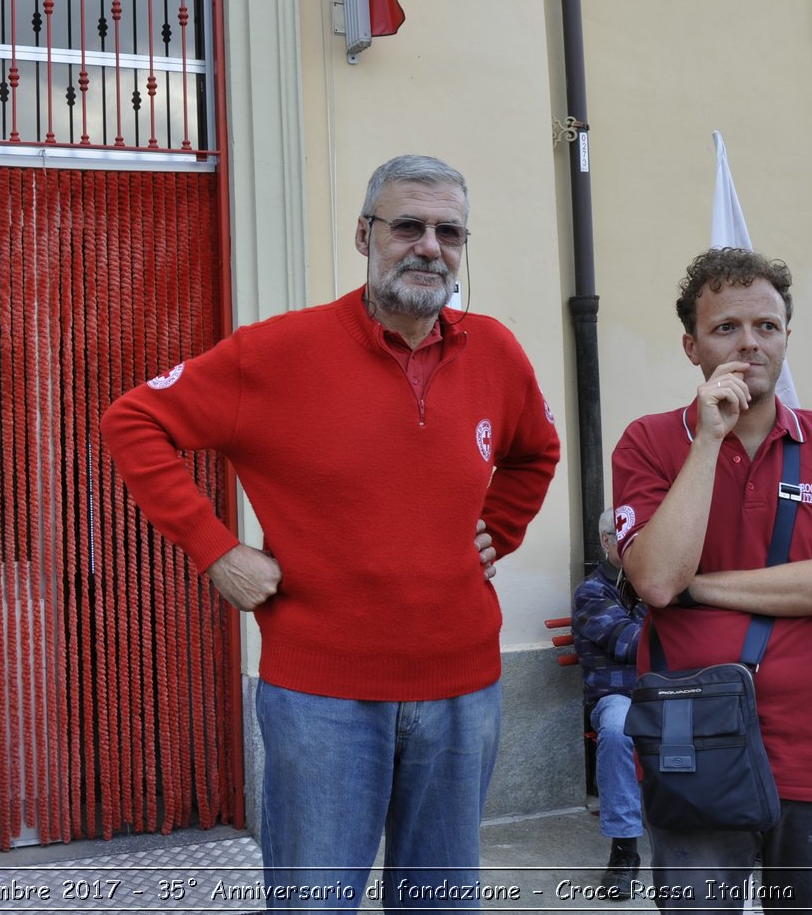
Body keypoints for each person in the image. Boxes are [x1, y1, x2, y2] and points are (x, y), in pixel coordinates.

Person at [102, 154, 560, 911]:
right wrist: (215, 550)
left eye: (450, 231)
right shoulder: (275, 353)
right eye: (407, 225)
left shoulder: (497, 352)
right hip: (322, 699)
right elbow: (133, 421)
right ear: (364, 235)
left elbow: (536, 451)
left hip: (463, 690)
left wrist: (499, 528)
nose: (429, 246)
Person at [611, 248, 812, 912]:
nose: (750, 343)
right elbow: (654, 579)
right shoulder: (647, 441)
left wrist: (701, 586)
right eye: (726, 327)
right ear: (690, 345)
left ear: (788, 334)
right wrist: (707, 439)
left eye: (767, 326)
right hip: (693, 747)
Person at [572, 508, 648, 899]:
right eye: (629, 536)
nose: (640, 544)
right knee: (618, 732)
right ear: (607, 541)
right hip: (617, 697)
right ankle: (624, 851)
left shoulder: (655, 579)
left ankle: (735, 830)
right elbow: (628, 642)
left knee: (728, 714)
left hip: (667, 690)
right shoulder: (592, 591)